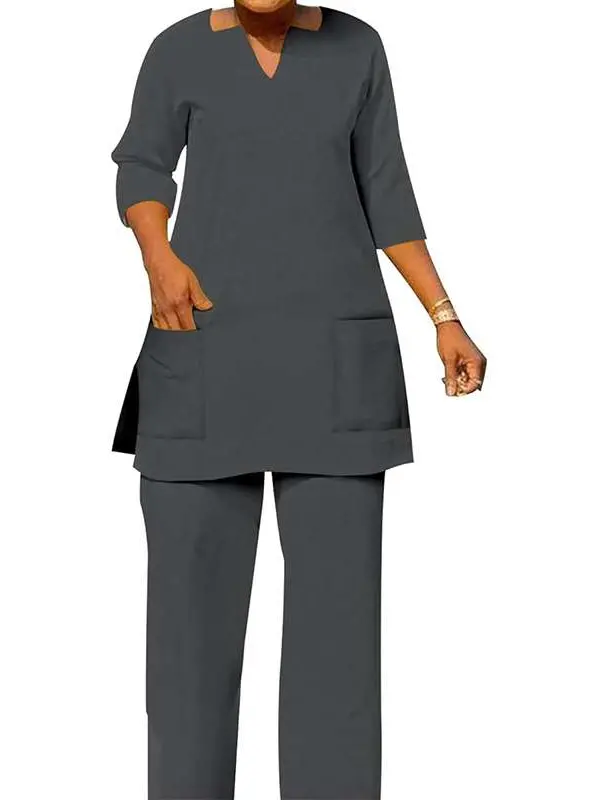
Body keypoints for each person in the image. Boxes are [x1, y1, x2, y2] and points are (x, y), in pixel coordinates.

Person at [110, 2, 487, 799]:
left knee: (337, 649)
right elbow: (141, 165)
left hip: (332, 370)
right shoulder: (177, 51)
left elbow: (387, 192)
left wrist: (445, 316)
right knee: (187, 648)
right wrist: (157, 255)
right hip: (204, 360)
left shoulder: (359, 50)